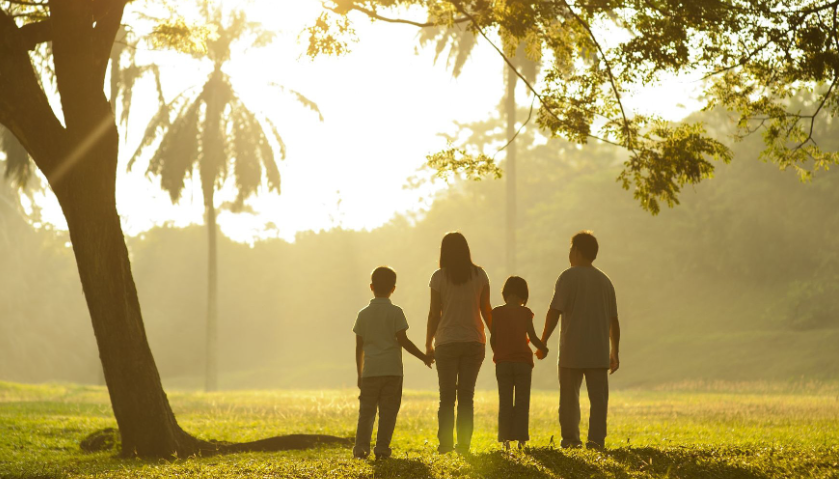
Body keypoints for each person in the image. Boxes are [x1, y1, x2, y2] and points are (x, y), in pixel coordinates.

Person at [538, 231, 620, 450]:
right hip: (598, 351)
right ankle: (596, 442)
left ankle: (571, 440)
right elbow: (614, 321)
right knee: (599, 401)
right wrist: (615, 351)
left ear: (575, 251)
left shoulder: (567, 277)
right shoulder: (605, 281)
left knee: (569, 400)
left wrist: (543, 340)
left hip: (571, 351)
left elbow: (554, 312)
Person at [353, 266, 433, 460]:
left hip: (370, 371)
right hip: (392, 371)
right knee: (388, 412)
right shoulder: (396, 312)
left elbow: (359, 347)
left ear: (371, 286)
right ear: (393, 288)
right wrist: (424, 356)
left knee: (367, 412)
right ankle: (381, 448)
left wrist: (359, 374)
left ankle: (361, 447)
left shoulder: (363, 314)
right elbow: (403, 341)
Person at [426, 232, 492, 454]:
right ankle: (463, 444)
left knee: (446, 397)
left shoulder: (438, 277)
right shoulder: (480, 275)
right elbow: (486, 310)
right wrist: (497, 336)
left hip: (446, 342)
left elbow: (434, 314)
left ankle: (445, 444)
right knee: (466, 396)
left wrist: (428, 343)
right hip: (474, 341)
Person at [490, 276, 549, 451]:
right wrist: (543, 349)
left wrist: (500, 353)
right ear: (523, 295)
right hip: (523, 363)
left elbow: (493, 339)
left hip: (503, 363)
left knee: (505, 401)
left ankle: (505, 441)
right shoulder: (525, 313)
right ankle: (521, 440)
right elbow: (532, 337)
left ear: (505, 293)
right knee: (522, 401)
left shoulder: (497, 313)